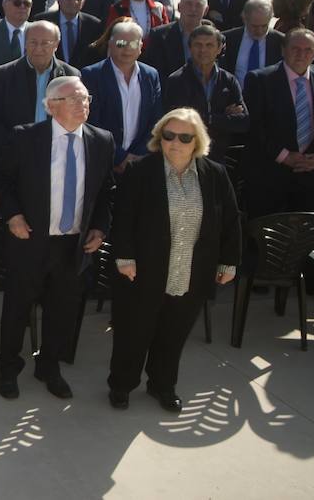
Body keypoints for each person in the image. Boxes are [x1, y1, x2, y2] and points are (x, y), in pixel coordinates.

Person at [108, 108, 240, 412]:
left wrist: (229, 262)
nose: (175, 143)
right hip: (144, 271)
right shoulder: (141, 171)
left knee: (174, 333)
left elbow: (230, 221)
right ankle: (121, 385)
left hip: (192, 271)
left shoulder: (215, 174)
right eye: (168, 135)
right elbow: (124, 219)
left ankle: (162, 385)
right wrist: (124, 258)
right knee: (134, 332)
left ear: (197, 141)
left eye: (184, 137)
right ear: (159, 137)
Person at [0, 76, 115, 400]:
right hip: (30, 239)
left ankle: (49, 366)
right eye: (73, 99)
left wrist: (100, 228)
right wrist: (12, 215)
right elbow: (1, 180)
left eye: (85, 98)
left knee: (62, 309)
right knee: (18, 307)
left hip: (72, 244)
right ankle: (8, 366)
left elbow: (106, 191)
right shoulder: (26, 138)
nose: (82, 104)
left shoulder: (101, 140)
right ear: (51, 107)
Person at [243, 28, 314, 215]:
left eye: (308, 49)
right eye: (295, 49)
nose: (301, 54)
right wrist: (285, 156)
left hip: (313, 176)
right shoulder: (260, 80)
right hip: (271, 175)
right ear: (283, 50)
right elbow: (254, 127)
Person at [0, 20, 79, 159]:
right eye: (33, 42)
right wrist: (16, 146)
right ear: (25, 43)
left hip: (57, 155)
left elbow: (77, 117)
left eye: (45, 43)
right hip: (14, 157)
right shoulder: (4, 75)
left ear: (56, 45)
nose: (38, 48)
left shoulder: (71, 76)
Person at [82, 19, 164, 172]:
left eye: (133, 44)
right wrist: (120, 156)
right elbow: (91, 121)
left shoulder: (151, 75)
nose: (127, 49)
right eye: (121, 44)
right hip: (103, 162)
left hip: (140, 162)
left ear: (140, 47)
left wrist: (138, 156)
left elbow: (156, 119)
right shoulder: (92, 75)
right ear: (110, 44)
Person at [162, 24, 248, 158]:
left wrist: (206, 117)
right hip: (186, 155)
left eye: (209, 45)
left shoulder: (228, 80)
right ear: (190, 47)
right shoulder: (176, 80)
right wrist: (223, 117)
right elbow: (180, 122)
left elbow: (242, 122)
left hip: (219, 155)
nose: (203, 50)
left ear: (219, 48)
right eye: (198, 45)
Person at [34, 0, 103, 70]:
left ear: (83, 3)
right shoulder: (42, 21)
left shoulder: (94, 25)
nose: (72, 2)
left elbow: (97, 56)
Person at [222, 0, 283, 94]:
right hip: (235, 99)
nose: (259, 31)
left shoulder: (281, 41)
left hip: (268, 101)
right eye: (254, 26)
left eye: (264, 26)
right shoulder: (228, 39)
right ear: (244, 19)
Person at [145, 0, 208, 79]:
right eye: (188, 4)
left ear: (206, 10)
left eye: (198, 5)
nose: (193, 9)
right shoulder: (160, 36)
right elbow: (155, 72)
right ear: (179, 7)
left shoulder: (214, 38)